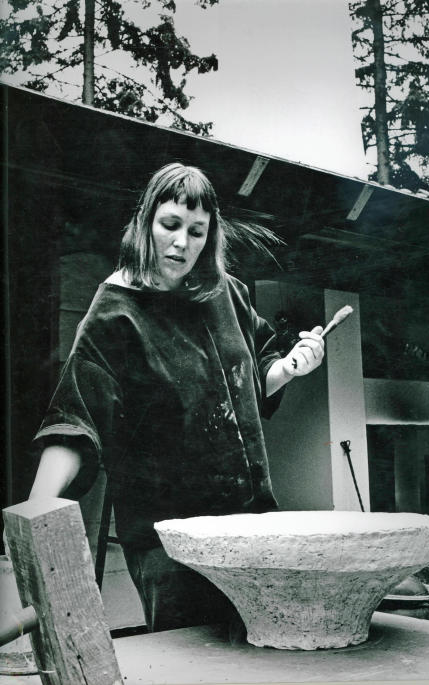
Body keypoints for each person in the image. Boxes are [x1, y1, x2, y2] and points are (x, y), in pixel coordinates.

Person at [26, 163, 325, 634]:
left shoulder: (227, 293)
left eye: (197, 231)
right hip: (173, 549)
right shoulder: (114, 313)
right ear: (146, 222)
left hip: (255, 533)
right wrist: (37, 506)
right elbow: (76, 417)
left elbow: (250, 379)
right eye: (170, 225)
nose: (182, 243)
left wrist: (290, 368)